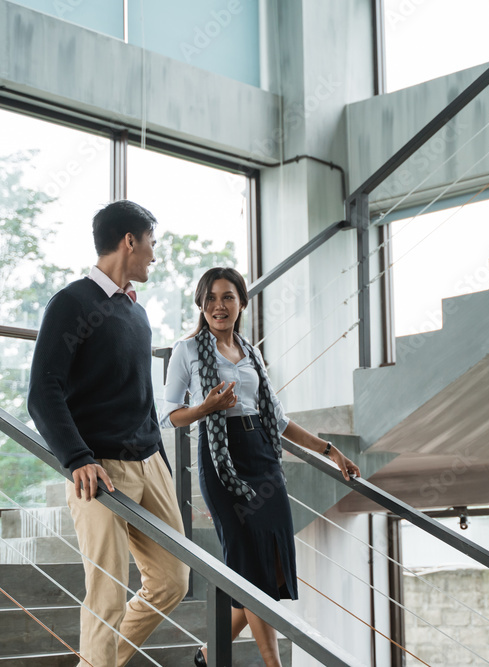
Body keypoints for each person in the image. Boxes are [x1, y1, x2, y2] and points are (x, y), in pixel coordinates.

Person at [162, 266, 360, 667]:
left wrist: (329, 450)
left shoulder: (252, 353)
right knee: (247, 569)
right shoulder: (186, 351)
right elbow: (169, 416)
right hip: (221, 460)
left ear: (241, 303)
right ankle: (274, 665)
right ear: (201, 304)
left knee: (273, 572)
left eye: (228, 297)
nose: (220, 306)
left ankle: (207, 655)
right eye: (212, 298)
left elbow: (279, 420)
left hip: (262, 457)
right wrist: (207, 407)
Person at [28, 200, 189, 667]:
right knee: (108, 593)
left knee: (173, 582)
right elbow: (43, 392)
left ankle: (95, 663)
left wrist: (158, 457)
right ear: (129, 241)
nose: (154, 257)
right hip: (97, 470)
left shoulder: (136, 314)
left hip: (149, 462)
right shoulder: (71, 303)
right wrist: (77, 457)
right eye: (152, 244)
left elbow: (139, 395)